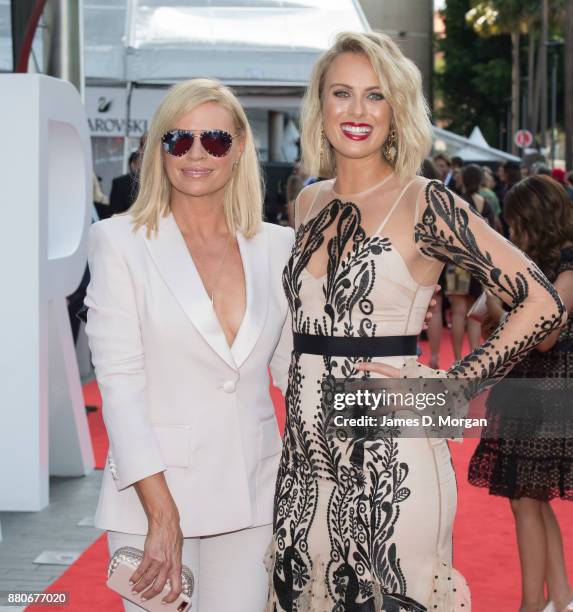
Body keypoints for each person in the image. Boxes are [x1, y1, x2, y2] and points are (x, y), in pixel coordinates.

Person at [265, 31, 566, 611]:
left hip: (389, 457)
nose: (356, 112)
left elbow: (541, 302)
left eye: (375, 96)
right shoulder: (307, 203)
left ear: (397, 109)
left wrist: (454, 384)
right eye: (342, 93)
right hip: (303, 462)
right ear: (319, 104)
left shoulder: (424, 202)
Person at [84, 78, 295, 611]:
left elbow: (295, 371)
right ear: (160, 149)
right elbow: (120, 384)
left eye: (216, 141)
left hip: (252, 494)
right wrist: (161, 514)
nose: (197, 154)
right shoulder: (119, 242)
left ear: (240, 148)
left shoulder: (277, 247)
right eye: (180, 140)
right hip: (152, 496)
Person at [469, 175, 573, 612]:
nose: (512, 233)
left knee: (525, 500)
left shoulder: (569, 262)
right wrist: (501, 300)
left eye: (516, 224)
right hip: (524, 390)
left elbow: (545, 332)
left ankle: (532, 604)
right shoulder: (529, 263)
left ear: (535, 219)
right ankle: (562, 600)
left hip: (550, 394)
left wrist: (502, 299)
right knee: (531, 497)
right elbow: (487, 317)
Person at [446, 164, 497, 361]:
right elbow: (493, 235)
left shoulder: (455, 201)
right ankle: (475, 357)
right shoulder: (486, 203)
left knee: (458, 312)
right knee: (476, 314)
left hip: (457, 261)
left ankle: (458, 359)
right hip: (480, 262)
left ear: (463, 180)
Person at [108, 151, 141, 216]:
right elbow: (114, 212)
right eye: (140, 162)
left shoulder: (154, 183)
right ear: (132, 164)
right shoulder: (120, 183)